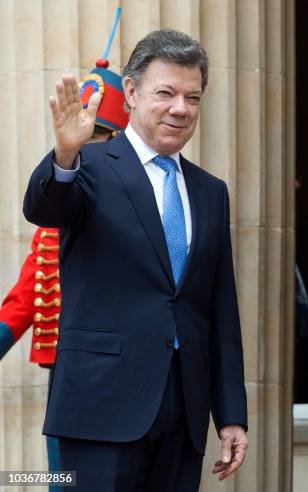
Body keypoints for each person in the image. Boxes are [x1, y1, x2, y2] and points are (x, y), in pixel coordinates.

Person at [23, 29, 248, 491]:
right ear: (131, 91)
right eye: (165, 93)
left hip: (183, 414)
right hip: (101, 410)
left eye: (192, 97)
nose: (180, 108)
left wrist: (231, 415)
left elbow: (220, 311)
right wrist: (66, 153)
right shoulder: (91, 167)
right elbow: (45, 208)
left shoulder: (211, 191)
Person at [0, 15, 128, 488]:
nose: (82, 145)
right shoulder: (54, 225)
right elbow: (23, 300)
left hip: (133, 376)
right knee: (67, 482)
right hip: (71, 379)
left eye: (93, 134)